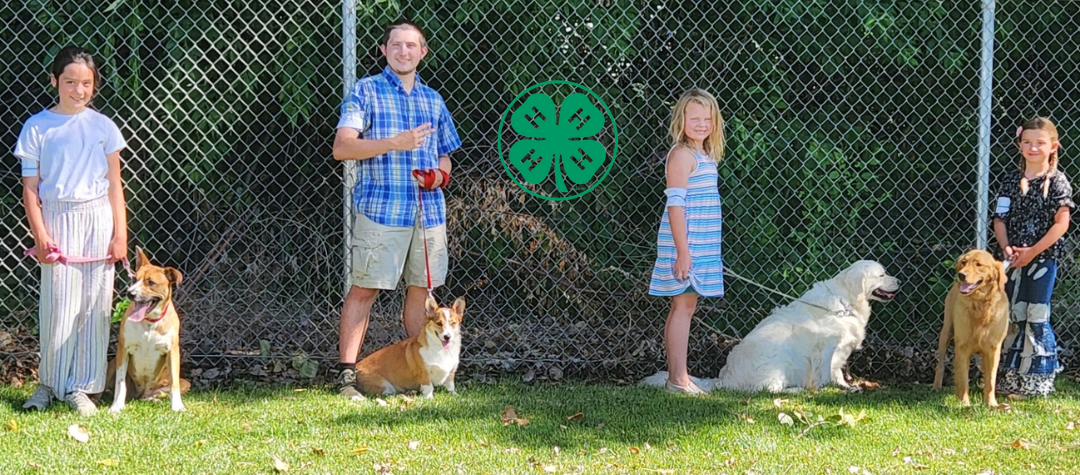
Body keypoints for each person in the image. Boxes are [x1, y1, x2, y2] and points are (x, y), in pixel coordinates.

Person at [330, 19, 462, 399]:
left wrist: (438, 177)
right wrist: (394, 142)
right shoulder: (365, 91)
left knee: (422, 296)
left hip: (428, 214)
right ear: (384, 51)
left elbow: (445, 157)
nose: (404, 51)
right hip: (381, 211)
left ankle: (420, 374)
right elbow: (343, 148)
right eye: (396, 45)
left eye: (412, 46)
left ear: (423, 53)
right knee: (365, 290)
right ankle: (347, 378)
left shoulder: (433, 100)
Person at [14, 46, 129, 415]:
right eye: (70, 82)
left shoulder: (103, 127)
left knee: (95, 307)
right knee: (58, 307)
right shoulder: (37, 126)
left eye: (86, 83)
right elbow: (30, 189)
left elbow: (115, 184)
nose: (78, 90)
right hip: (57, 220)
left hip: (98, 219)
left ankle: (83, 387)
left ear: (94, 85)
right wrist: (40, 236)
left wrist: (120, 235)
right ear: (54, 81)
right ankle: (48, 383)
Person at [648, 88, 726, 395]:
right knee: (682, 305)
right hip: (686, 246)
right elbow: (675, 205)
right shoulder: (681, 156)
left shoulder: (706, 155)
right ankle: (677, 379)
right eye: (694, 118)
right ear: (681, 120)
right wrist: (683, 252)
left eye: (707, 119)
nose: (701, 124)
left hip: (701, 246)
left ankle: (679, 376)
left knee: (687, 305)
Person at [992, 117, 1074, 398]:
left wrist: (1033, 252)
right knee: (1014, 312)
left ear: (1053, 146)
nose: (1033, 148)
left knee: (1036, 313)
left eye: (1039, 143)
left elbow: (1061, 223)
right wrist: (1007, 248)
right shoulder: (1012, 180)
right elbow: (1000, 219)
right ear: (1019, 146)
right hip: (1013, 259)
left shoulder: (1058, 182)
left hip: (1042, 259)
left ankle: (1038, 380)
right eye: (1027, 142)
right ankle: (1012, 377)